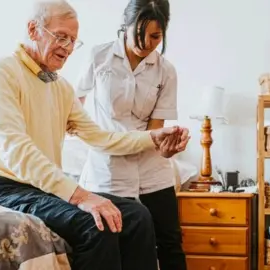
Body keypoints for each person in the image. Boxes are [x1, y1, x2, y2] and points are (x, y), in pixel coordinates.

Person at [0, 1, 190, 270]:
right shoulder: (1, 72)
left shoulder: (61, 88)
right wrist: (82, 196)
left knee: (137, 217)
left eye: (73, 40)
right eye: (61, 37)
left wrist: (153, 138)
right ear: (33, 30)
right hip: (0, 186)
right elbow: (17, 151)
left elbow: (101, 138)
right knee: (97, 225)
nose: (68, 48)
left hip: (40, 189)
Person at [76, 0, 187, 269]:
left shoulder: (166, 71)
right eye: (139, 33)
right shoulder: (98, 56)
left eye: (155, 36)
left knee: (170, 243)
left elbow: (154, 133)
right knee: (117, 246)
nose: (146, 42)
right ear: (124, 26)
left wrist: (167, 147)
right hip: (108, 171)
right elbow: (72, 107)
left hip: (152, 172)